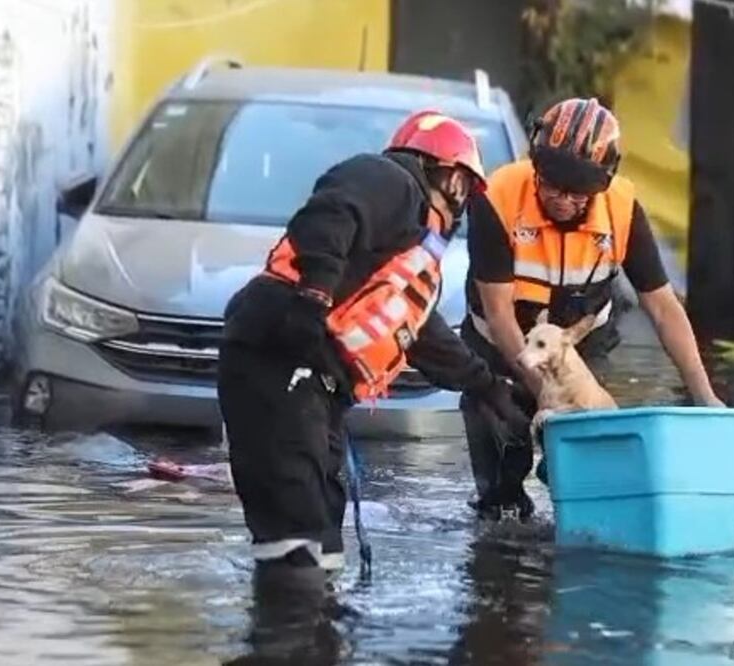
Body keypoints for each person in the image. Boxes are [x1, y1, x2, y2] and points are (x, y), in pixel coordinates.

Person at [217, 109, 531, 581]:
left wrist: (490, 388)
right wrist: (313, 299)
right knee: (295, 530)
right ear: (445, 175)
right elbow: (330, 213)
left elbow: (425, 337)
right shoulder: (390, 180)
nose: (463, 206)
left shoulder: (408, 253)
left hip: (313, 386)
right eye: (464, 188)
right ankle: (291, 615)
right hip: (277, 358)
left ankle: (316, 616)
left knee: (322, 531)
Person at [460, 97, 725, 521]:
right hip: (501, 352)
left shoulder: (622, 210)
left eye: (576, 192)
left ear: (601, 184)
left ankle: (575, 507)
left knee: (587, 469)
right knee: (502, 480)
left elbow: (662, 308)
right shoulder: (498, 198)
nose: (561, 199)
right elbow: (499, 315)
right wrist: (546, 395)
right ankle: (502, 520)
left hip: (579, 354)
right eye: (550, 184)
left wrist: (704, 395)